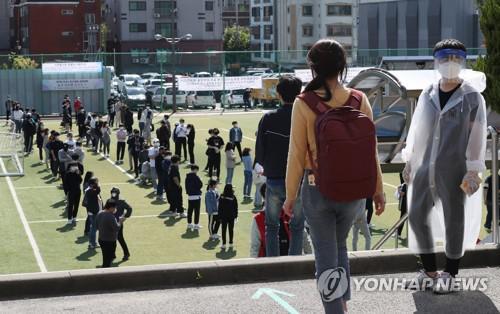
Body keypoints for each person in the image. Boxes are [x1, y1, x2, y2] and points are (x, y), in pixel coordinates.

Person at [283, 39, 385, 313]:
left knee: (326, 257)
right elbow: (370, 150)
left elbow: (296, 153)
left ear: (313, 67)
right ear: (342, 66)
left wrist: (290, 196)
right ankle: (343, 304)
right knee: (339, 249)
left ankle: (336, 309)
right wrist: (378, 189)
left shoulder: (304, 102)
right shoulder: (358, 99)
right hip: (354, 189)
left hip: (318, 190)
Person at [402, 39, 487, 294]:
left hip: (455, 167)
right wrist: (410, 159)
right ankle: (428, 271)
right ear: (436, 61)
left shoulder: (472, 97)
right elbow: (418, 129)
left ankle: (450, 273)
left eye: (455, 58)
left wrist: (473, 168)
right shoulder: (428, 93)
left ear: (463, 61)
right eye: (445, 58)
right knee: (417, 216)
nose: (450, 64)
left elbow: (478, 135)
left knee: (454, 219)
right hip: (425, 165)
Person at [255, 74, 305, 257]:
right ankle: (295, 261)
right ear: (299, 93)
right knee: (298, 226)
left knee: (272, 226)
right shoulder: (304, 117)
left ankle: (273, 263)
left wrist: (264, 165)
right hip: (299, 180)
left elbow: (260, 150)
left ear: (279, 93)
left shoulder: (268, 118)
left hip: (275, 179)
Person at [249, 184, 292, 258]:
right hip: (268, 266)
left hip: (292, 264)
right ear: (265, 198)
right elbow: (255, 247)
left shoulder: (289, 215)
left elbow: (304, 240)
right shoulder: (258, 219)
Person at [96, 199, 124, 268]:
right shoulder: (111, 217)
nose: (115, 209)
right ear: (111, 207)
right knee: (107, 262)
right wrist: (120, 221)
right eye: (115, 207)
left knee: (105, 258)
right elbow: (117, 228)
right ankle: (105, 275)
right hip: (109, 241)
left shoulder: (99, 213)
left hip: (101, 239)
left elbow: (96, 226)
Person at [109, 187, 132, 261]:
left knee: (120, 239)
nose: (113, 194)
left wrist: (125, 217)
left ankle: (126, 253)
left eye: (114, 192)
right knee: (112, 239)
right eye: (112, 192)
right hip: (110, 223)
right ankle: (112, 255)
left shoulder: (121, 202)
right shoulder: (109, 201)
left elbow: (129, 208)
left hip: (118, 223)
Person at [82, 177, 103, 250]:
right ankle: (92, 244)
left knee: (92, 228)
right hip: (94, 212)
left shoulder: (88, 190)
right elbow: (98, 190)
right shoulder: (92, 191)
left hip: (91, 212)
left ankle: (91, 243)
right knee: (94, 229)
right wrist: (97, 184)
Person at [64, 155, 84, 225]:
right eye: (73, 167)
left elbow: (81, 181)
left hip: (78, 190)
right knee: (70, 205)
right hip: (71, 191)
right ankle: (69, 219)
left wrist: (78, 174)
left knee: (76, 204)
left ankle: (74, 217)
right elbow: (65, 184)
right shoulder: (68, 174)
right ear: (70, 168)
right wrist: (67, 192)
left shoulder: (77, 174)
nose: (74, 168)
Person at [218, 184, 238, 249]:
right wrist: (236, 216)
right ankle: (231, 243)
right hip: (231, 216)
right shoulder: (233, 197)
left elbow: (219, 207)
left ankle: (224, 244)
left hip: (224, 216)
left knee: (223, 230)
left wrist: (219, 216)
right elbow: (236, 207)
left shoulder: (221, 196)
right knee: (231, 230)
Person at [185, 164, 203, 230]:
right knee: (196, 211)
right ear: (195, 169)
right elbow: (200, 185)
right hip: (196, 196)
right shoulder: (196, 177)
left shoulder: (187, 177)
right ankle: (196, 224)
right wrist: (200, 180)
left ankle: (189, 224)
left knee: (190, 210)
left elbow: (186, 186)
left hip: (190, 196)